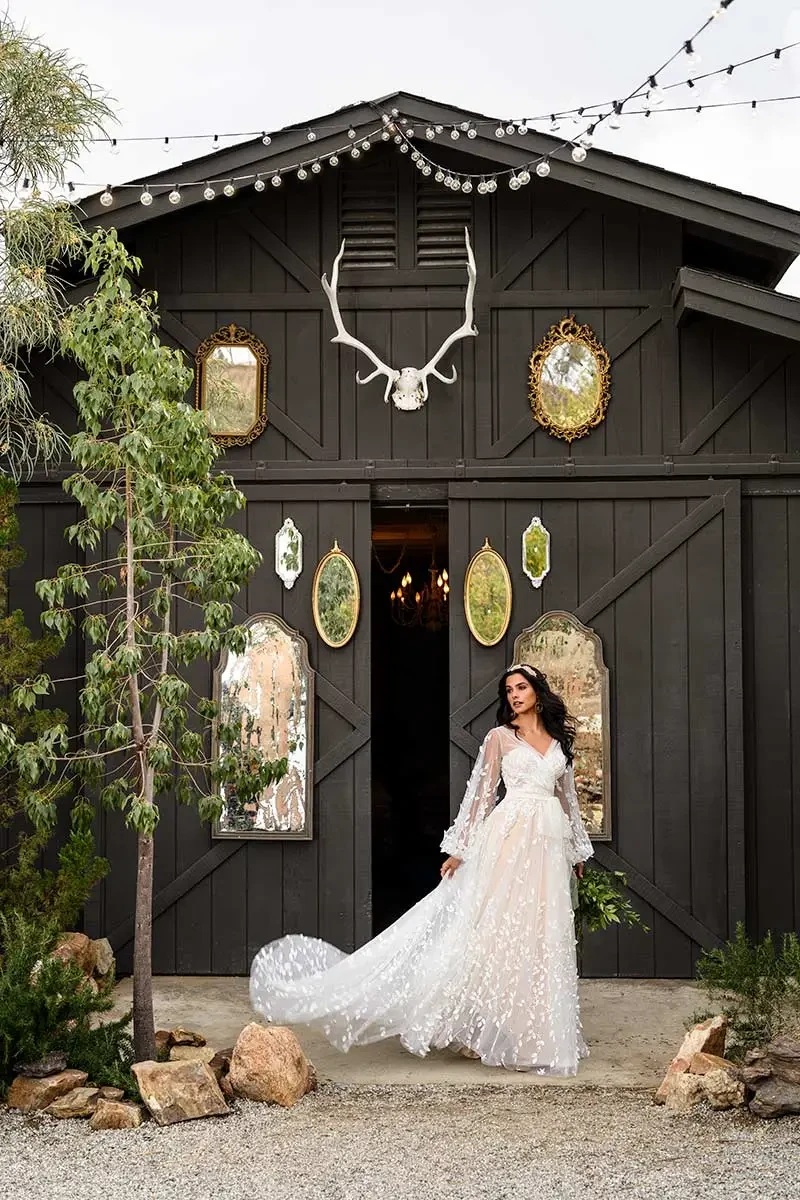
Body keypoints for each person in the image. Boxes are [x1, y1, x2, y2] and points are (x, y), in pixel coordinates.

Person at [249, 663, 593, 1074]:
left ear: (538, 691)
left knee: (541, 934)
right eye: (508, 691)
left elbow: (567, 798)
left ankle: (536, 1033)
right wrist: (461, 849)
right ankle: (481, 1025)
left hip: (549, 847)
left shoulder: (558, 741)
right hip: (510, 841)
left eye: (521, 688)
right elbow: (481, 798)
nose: (515, 696)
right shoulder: (499, 738)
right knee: (498, 932)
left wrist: (577, 852)